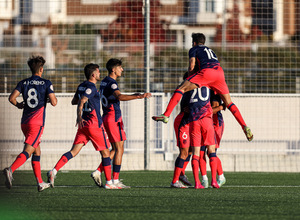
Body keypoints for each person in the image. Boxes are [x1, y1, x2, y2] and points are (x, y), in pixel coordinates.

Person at [152, 33, 253, 142]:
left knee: (180, 88)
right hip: (219, 73)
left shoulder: (194, 49)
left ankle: (166, 115)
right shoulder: (211, 51)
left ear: (194, 42)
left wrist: (188, 81)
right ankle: (244, 126)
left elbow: (191, 66)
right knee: (229, 103)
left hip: (207, 73)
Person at [47, 63, 118, 189]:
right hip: (93, 124)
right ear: (93, 74)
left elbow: (74, 100)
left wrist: (82, 110)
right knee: (106, 153)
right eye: (98, 72)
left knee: (73, 152)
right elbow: (81, 101)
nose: (99, 74)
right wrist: (79, 115)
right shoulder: (90, 87)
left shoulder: (81, 86)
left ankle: (54, 171)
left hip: (83, 126)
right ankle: (108, 183)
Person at [90, 58, 151, 189]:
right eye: (120, 67)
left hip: (108, 116)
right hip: (113, 117)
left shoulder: (104, 82)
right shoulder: (112, 83)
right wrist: (138, 96)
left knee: (117, 148)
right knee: (119, 149)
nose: (122, 69)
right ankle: (115, 180)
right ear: (113, 69)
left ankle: (98, 171)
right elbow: (119, 96)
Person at [3, 55, 57, 192]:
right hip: (36, 123)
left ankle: (40, 182)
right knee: (28, 150)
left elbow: (11, 98)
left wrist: (19, 105)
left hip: (25, 122)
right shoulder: (46, 83)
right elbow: (54, 102)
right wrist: (48, 98)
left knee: (37, 150)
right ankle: (11, 170)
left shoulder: (23, 82)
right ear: (41, 69)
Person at [171, 73, 193, 188]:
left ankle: (181, 174)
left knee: (190, 151)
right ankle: (175, 181)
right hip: (183, 123)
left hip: (189, 123)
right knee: (184, 152)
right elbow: (188, 109)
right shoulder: (187, 92)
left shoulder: (193, 91)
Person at [200, 91, 226, 188]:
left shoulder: (212, 92)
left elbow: (215, 108)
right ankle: (204, 179)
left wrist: (220, 107)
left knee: (211, 152)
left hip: (215, 124)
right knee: (200, 151)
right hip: (203, 122)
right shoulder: (202, 91)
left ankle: (220, 176)